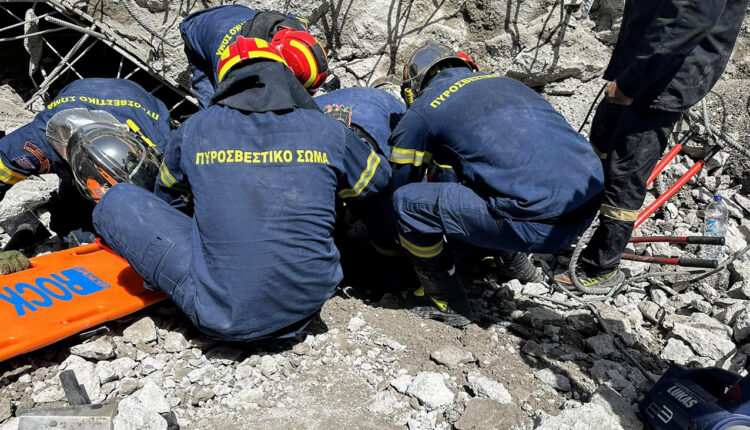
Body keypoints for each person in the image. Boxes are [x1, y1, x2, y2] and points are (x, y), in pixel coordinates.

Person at [92, 37, 391, 341]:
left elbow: (168, 199)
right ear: (284, 76)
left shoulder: (195, 129)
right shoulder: (328, 129)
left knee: (117, 199)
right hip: (309, 300)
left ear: (226, 81)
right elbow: (376, 182)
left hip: (224, 318)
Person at [389, 43, 604, 326]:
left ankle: (445, 300)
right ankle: (517, 265)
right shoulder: (508, 84)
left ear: (412, 88)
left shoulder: (424, 109)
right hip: (588, 204)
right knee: (494, 175)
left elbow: (400, 182)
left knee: (407, 204)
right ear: (468, 65)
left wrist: (389, 245)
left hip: (536, 224)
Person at [555, 0, 750, 289]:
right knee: (601, 145)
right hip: (643, 63)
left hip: (661, 77)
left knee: (625, 172)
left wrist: (630, 83)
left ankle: (600, 266)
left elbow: (687, 19)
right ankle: (567, 230)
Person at [0, 78, 170, 273]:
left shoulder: (163, 146)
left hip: (136, 96)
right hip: (80, 89)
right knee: (75, 221)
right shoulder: (33, 143)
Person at [180, 5, 327, 108]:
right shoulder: (234, 60)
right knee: (211, 105)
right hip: (196, 27)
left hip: (236, 13)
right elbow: (226, 103)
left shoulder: (294, 31)